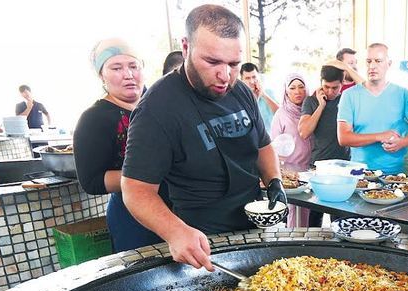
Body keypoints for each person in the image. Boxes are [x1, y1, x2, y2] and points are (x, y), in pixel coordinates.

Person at [121, 4, 285, 271]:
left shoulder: (241, 91)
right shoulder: (157, 108)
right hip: (202, 238)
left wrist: (274, 180)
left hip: (254, 225)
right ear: (186, 48)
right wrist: (175, 232)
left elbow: (263, 145)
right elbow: (136, 191)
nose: (225, 75)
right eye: (212, 62)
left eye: (234, 64)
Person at [73, 38, 163, 253]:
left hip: (180, 207)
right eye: (116, 67)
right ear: (101, 75)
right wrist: (151, 175)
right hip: (133, 218)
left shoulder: (161, 105)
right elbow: (92, 181)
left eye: (134, 66)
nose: (128, 74)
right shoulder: (94, 118)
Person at [337, 42, 408, 174]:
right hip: (360, 174)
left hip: (395, 174)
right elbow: (344, 138)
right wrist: (379, 136)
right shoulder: (349, 95)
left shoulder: (403, 94)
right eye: (369, 61)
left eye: (378, 61)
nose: (372, 66)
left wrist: (402, 142)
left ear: (389, 64)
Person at [299, 61, 363, 227]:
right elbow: (304, 132)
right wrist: (321, 106)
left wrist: (348, 68)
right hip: (318, 166)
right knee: (315, 217)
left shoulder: (347, 100)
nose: (330, 91)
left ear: (342, 85)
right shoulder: (311, 101)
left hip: (343, 168)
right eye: (326, 87)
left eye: (335, 88)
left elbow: (366, 89)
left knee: (340, 217)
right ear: (321, 83)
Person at [271, 73, 311, 227]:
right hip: (290, 172)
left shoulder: (310, 112)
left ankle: (308, 245)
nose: (297, 91)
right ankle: (295, 244)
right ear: (286, 91)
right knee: (294, 210)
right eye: (292, 88)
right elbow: (273, 146)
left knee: (308, 210)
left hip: (309, 169)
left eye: (301, 87)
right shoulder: (281, 114)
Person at [240, 62, 279, 130]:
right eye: (247, 78)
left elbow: (280, 113)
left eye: (254, 77)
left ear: (258, 77)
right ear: (242, 80)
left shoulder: (269, 92)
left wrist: (264, 95)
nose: (252, 81)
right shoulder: (239, 97)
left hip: (269, 137)